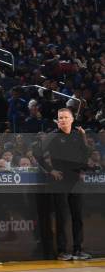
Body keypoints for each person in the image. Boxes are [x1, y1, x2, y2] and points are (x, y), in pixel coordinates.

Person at [35, 107, 92, 260]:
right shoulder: (52, 136)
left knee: (77, 216)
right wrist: (50, 170)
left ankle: (78, 249)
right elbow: (37, 155)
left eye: (66, 117)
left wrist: (84, 138)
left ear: (72, 119)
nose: (63, 120)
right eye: (60, 118)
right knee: (62, 217)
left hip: (75, 181)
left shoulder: (77, 135)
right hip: (59, 181)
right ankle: (62, 251)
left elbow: (85, 155)